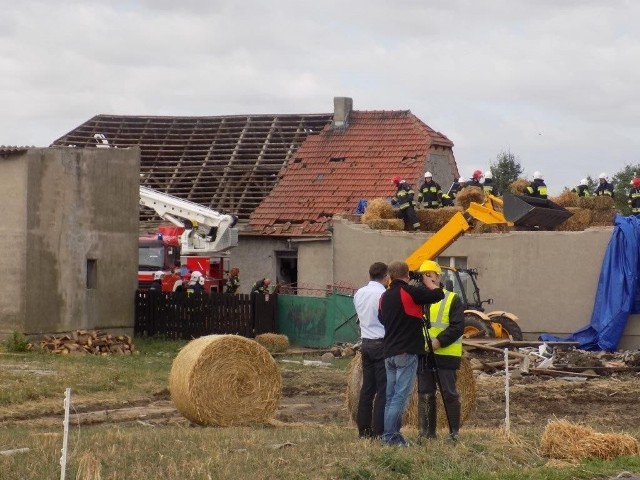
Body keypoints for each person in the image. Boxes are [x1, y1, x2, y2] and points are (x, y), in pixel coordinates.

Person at [378, 260, 444, 446]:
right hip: (406, 351)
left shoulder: (384, 296)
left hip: (388, 351)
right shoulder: (408, 291)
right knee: (400, 395)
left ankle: (390, 435)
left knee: (390, 396)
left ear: (390, 275)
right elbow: (437, 295)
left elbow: (381, 319)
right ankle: (391, 437)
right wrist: (430, 282)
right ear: (407, 275)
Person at [415, 260, 465, 442]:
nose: (427, 278)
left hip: (446, 355)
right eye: (424, 275)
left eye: (430, 274)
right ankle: (427, 433)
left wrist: (438, 342)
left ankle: (454, 433)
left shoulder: (452, 298)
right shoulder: (419, 300)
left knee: (449, 394)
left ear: (438, 277)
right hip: (424, 355)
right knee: (425, 393)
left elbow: (458, 327)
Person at [353, 262, 389, 439]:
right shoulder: (384, 294)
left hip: (365, 342)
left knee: (367, 388)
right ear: (386, 276)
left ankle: (363, 429)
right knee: (383, 390)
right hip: (381, 343)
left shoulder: (359, 293)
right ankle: (378, 430)